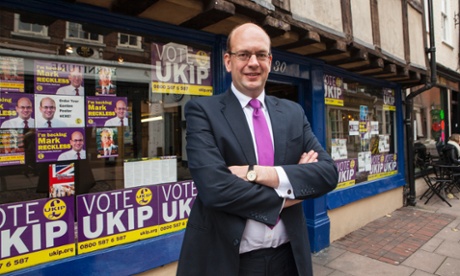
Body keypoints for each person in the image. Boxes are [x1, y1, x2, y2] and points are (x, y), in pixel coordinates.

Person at [177, 23, 338, 276]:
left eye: (261, 55)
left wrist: (256, 173)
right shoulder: (202, 111)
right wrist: (293, 188)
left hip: (289, 259)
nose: (253, 62)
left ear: (270, 61)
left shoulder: (293, 112)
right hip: (229, 262)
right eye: (244, 54)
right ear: (228, 61)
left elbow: (328, 174)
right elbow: (215, 190)